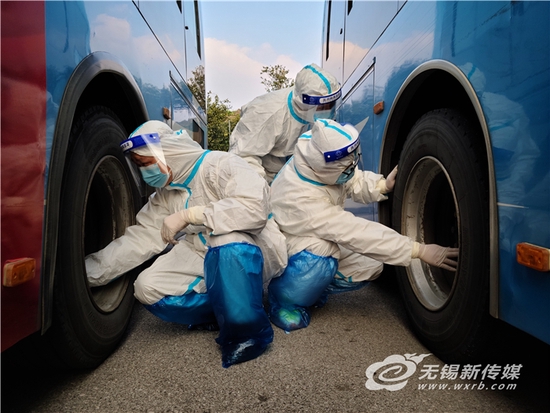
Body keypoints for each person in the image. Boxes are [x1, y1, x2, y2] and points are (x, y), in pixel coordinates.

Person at [85, 120, 288, 368]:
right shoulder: (166, 194)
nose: (145, 172)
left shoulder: (220, 164)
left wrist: (190, 215)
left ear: (168, 152)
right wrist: (88, 274)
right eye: (139, 166)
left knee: (224, 237)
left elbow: (253, 210)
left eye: (146, 163)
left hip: (252, 247)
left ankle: (248, 333)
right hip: (202, 249)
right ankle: (227, 310)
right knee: (147, 288)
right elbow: (140, 238)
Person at [268, 119, 459, 332]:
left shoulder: (316, 160)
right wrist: (418, 250)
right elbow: (356, 232)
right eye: (347, 166)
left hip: (307, 233)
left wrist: (382, 185)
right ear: (324, 168)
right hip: (286, 242)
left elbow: (349, 179)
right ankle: (286, 300)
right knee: (322, 253)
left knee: (372, 264)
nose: (352, 167)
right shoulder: (302, 199)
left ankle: (314, 287)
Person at [229, 63, 341, 183]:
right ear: (305, 103)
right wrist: (263, 189)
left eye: (332, 104)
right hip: (264, 178)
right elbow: (243, 158)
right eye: (324, 106)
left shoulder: (311, 113)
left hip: (292, 180)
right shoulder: (266, 112)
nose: (329, 110)